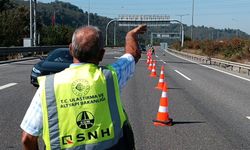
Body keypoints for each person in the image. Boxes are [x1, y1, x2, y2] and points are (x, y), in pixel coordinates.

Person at [20, 24, 147, 150]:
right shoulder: (111, 77)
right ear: (101, 54)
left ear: (71, 49)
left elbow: (28, 138)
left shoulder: (48, 87)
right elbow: (133, 54)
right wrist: (130, 35)